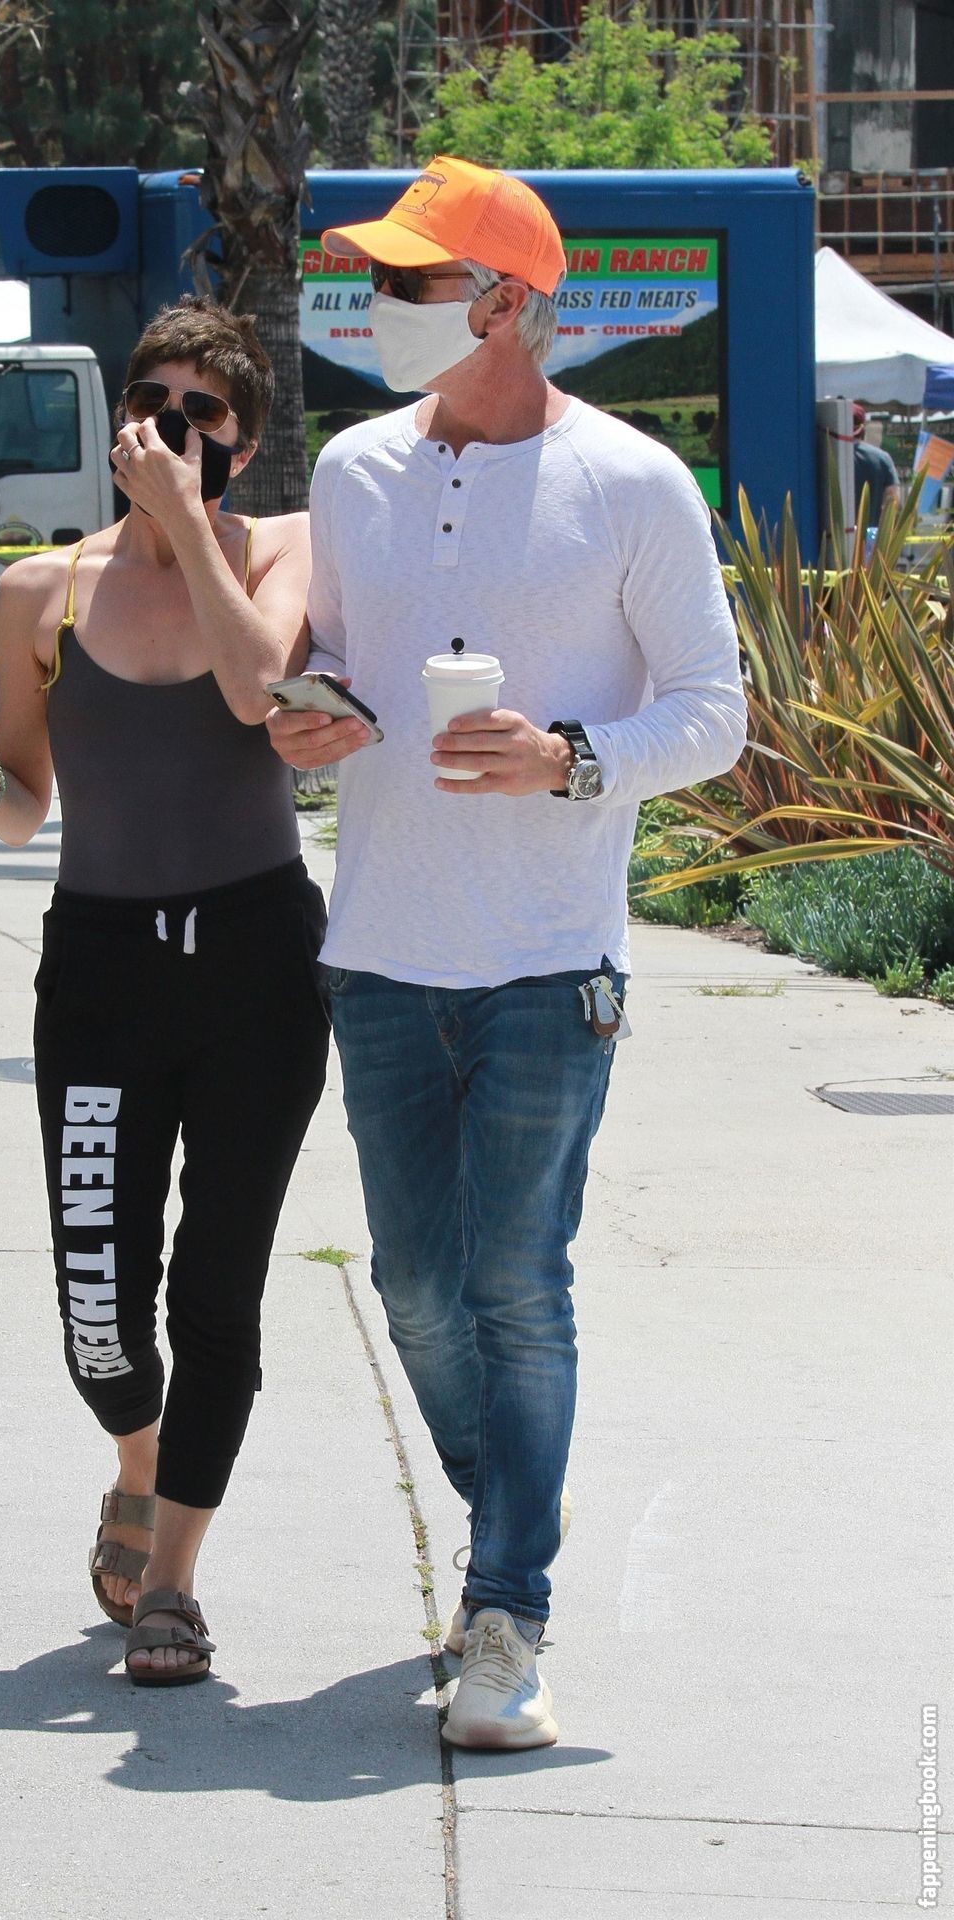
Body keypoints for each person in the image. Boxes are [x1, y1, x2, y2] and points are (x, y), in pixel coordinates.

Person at [267, 156, 747, 1750]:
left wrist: (571, 759)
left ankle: (507, 1616)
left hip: (551, 962)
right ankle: (512, 1514)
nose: (373, 307)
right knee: (415, 1290)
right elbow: (333, 660)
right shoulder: (352, 470)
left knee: (515, 1287)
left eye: (405, 282)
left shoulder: (632, 483)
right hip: (381, 952)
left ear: (504, 303)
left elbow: (716, 716)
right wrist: (306, 717)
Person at [0, 297, 329, 1687]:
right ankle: (136, 1461)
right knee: (99, 1308)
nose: (169, 428)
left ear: (243, 444)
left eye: (203, 413)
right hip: (101, 967)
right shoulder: (44, 591)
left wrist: (186, 525)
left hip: (256, 963)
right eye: (151, 403)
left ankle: (173, 1582)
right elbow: (24, 808)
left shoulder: (283, 551)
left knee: (216, 1289)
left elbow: (260, 694)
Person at [852, 403, 901, 523]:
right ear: (863, 428)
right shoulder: (882, 458)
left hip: (831, 532)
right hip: (872, 532)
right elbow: (893, 499)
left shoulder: (826, 455)